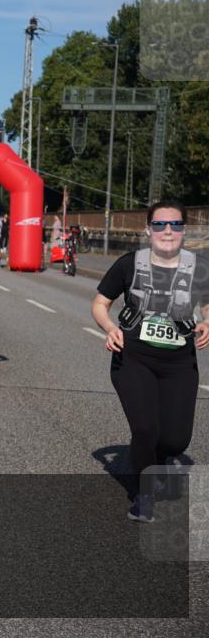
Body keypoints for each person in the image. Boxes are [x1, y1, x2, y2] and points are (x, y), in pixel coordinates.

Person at [91, 201, 208, 522]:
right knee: (145, 428)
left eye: (175, 224)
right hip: (133, 358)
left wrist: (206, 323)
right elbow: (100, 304)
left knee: (175, 439)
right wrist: (111, 328)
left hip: (179, 364)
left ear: (183, 230)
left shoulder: (199, 268)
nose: (167, 231)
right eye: (159, 225)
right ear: (148, 230)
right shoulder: (129, 264)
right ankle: (143, 495)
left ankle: (156, 459)